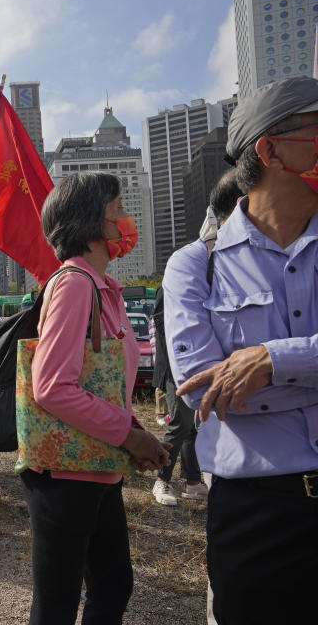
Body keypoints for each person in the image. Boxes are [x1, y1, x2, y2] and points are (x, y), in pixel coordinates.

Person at [164, 76, 318, 624]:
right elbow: (208, 389)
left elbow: (246, 385)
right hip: (255, 509)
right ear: (270, 150)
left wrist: (272, 360)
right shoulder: (195, 266)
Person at [25, 172, 170, 624]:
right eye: (120, 210)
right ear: (94, 224)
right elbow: (51, 385)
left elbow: (99, 383)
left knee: (113, 585)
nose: (127, 220)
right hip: (67, 473)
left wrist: (136, 433)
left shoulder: (104, 288)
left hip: (95, 466)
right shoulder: (75, 284)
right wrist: (127, 435)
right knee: (58, 604)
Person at [151, 169, 243, 507]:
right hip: (175, 372)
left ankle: (191, 480)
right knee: (181, 424)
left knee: (192, 426)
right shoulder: (187, 267)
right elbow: (194, 369)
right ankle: (161, 479)